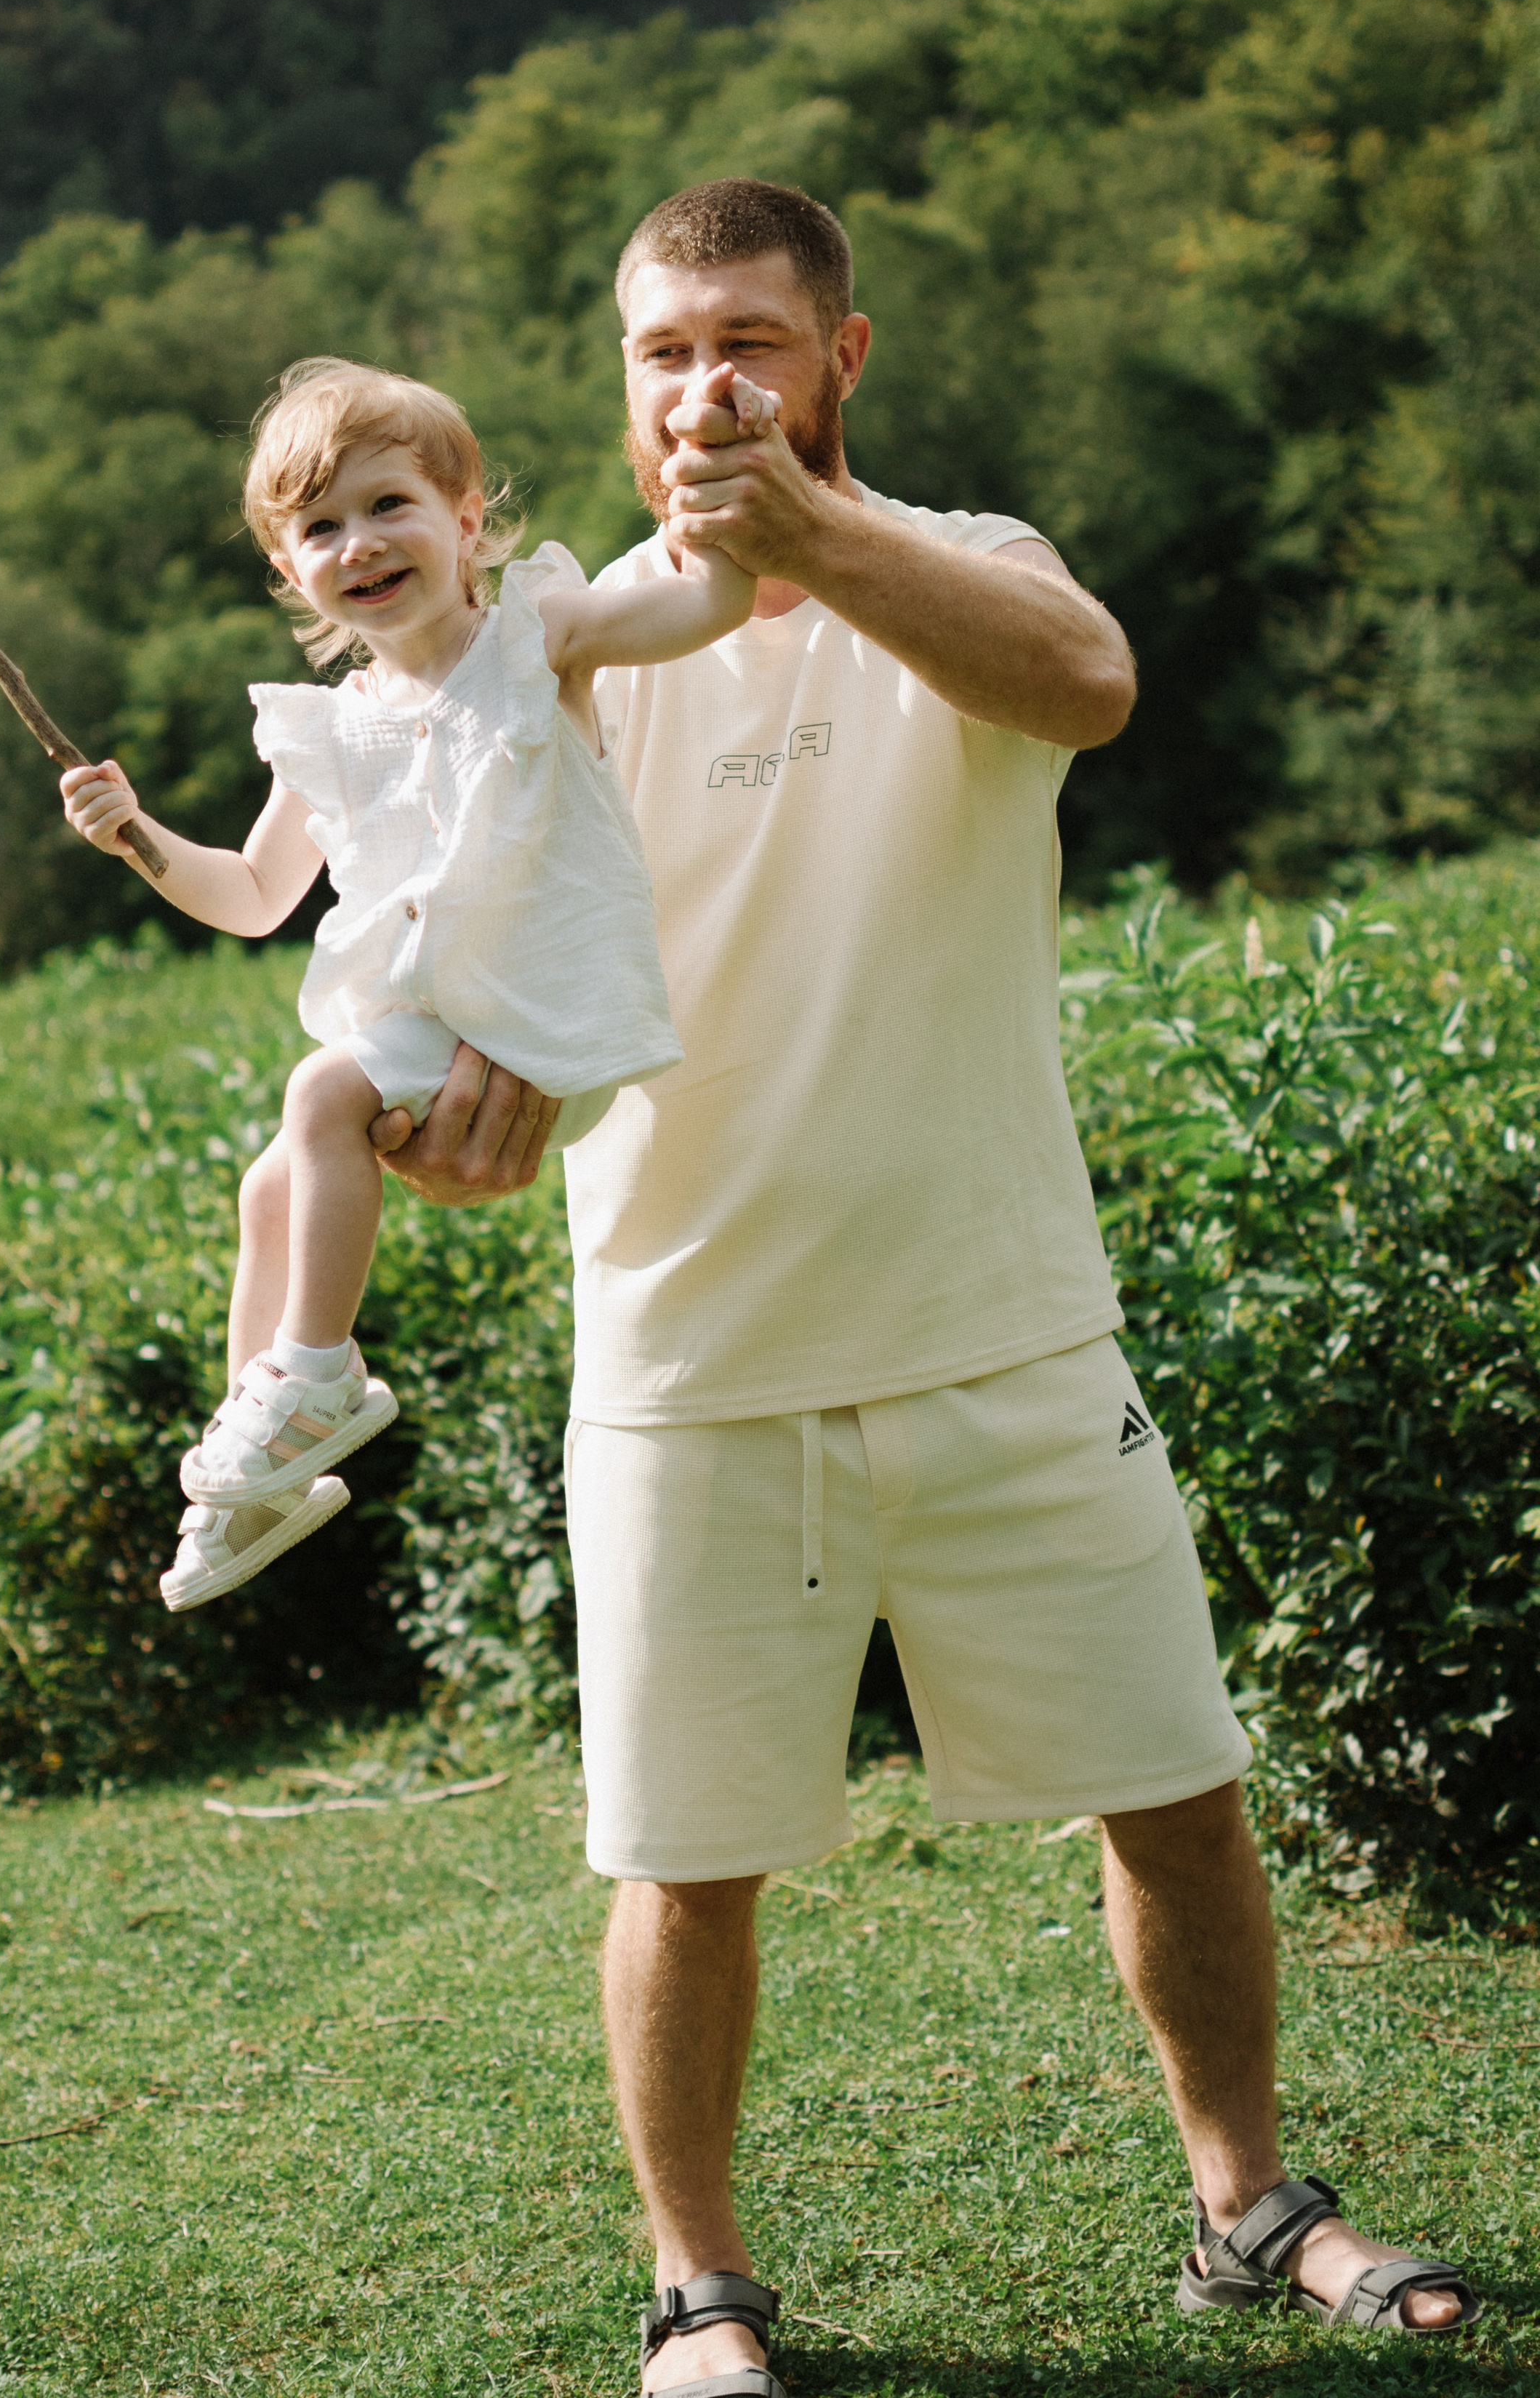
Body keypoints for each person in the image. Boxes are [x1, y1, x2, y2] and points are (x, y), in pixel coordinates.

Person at [361, 180, 1480, 2381]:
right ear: (620, 378)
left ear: (838, 357)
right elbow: (502, 958)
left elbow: (1089, 686)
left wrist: (799, 532)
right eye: (667, 350)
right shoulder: (559, 650)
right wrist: (467, 1117)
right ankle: (702, 2291)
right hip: (695, 1349)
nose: (708, 386)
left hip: (1009, 1325)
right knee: (683, 1866)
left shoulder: (981, 571)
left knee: (1175, 1789)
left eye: (751, 341)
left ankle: (1246, 2207)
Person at [60, 354, 763, 1613]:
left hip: (540, 1022)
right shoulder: (335, 725)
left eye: (390, 506)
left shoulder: (537, 641)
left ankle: (320, 1378)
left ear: (468, 520)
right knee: (270, 1180)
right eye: (319, 529)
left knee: (321, 1094)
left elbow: (706, 606)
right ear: (291, 574)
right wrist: (137, 837)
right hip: (436, 1029)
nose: (360, 544)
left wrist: (718, 485)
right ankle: (259, 1460)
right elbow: (252, 894)